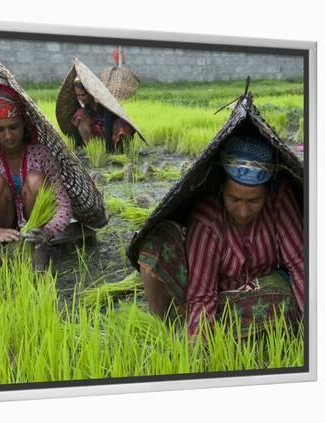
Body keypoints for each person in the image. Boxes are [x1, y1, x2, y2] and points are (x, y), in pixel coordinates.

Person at [138, 135, 304, 337]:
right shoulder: (208, 219)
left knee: (284, 299)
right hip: (216, 298)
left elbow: (299, 264)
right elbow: (202, 294)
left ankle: (215, 330)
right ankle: (166, 328)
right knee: (157, 243)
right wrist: (197, 353)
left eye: (254, 201)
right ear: (221, 189)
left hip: (262, 296)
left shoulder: (279, 201)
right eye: (234, 199)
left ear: (268, 194)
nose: (243, 211)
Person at [0, 83, 72, 246]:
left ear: (24, 123)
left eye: (14, 127)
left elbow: (64, 205)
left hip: (38, 228)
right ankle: (1, 247)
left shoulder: (41, 155)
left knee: (35, 180)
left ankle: (37, 245)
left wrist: (48, 231)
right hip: (3, 226)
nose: (8, 136)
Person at [71, 77, 134, 152]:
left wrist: (108, 148)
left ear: (90, 93)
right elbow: (76, 126)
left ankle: (118, 150)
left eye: (84, 95)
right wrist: (76, 145)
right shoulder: (87, 108)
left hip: (112, 134)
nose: (81, 98)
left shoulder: (104, 106)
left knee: (120, 124)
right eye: (78, 95)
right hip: (98, 135)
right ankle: (91, 149)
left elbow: (108, 126)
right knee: (79, 113)